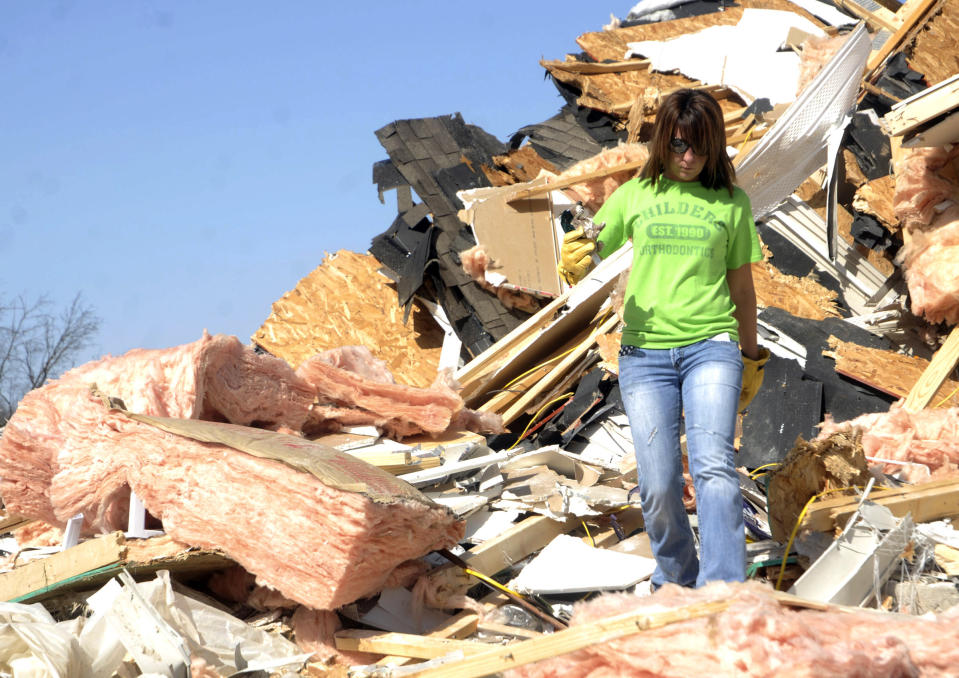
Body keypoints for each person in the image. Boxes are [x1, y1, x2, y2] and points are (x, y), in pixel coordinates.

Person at [559, 88, 768, 588]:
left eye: (698, 146)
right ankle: (675, 579)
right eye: (678, 145)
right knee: (657, 483)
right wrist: (574, 256)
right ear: (663, 145)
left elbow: (742, 288)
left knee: (714, 466)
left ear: (714, 145)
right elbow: (589, 247)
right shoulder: (636, 194)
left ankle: (722, 588)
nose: (688, 157)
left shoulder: (731, 202)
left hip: (712, 347)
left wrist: (751, 353)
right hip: (644, 354)